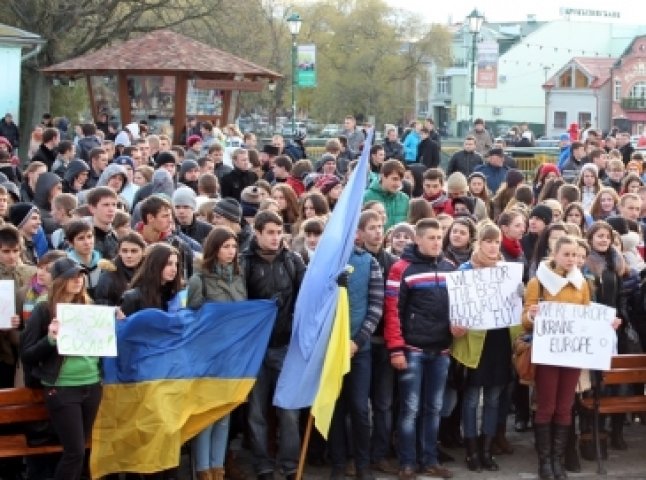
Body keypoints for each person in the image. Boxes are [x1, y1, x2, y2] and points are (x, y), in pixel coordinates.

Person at [522, 235, 620, 480]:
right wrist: (532, 316)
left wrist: (607, 324)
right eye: (566, 254)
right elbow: (524, 319)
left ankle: (557, 460)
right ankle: (545, 462)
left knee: (565, 407)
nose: (571, 259)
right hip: (547, 355)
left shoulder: (583, 283)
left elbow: (588, 317)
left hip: (572, 355)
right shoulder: (538, 282)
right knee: (546, 406)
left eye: (575, 255)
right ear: (554, 255)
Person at [384, 218, 456, 479]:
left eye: (440, 238)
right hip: (412, 350)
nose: (437, 242)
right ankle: (407, 462)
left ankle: (430, 460)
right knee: (410, 409)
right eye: (432, 238)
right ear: (418, 240)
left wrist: (458, 329)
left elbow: (458, 309)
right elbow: (392, 311)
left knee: (434, 408)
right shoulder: (401, 269)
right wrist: (396, 349)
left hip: (442, 351)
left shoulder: (450, 268)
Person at [20, 257, 101, 480]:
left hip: (91, 384)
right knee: (74, 452)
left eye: (81, 276)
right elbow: (26, 354)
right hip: (62, 387)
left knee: (81, 449)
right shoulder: (44, 308)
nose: (78, 280)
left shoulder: (88, 305)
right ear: (59, 280)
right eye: (72, 276)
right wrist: (50, 340)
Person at [452, 222, 522, 472]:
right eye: (488, 241)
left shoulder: (508, 271)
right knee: (471, 398)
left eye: (496, 242)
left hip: (500, 340)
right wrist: (455, 326)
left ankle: (486, 448)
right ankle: (471, 450)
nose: (493, 246)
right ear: (478, 243)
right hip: (473, 343)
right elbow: (455, 309)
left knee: (494, 397)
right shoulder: (465, 270)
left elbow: (516, 305)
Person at [241, 211, 306, 480]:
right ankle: (263, 464)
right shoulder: (244, 262)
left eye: (279, 232)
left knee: (289, 411)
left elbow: (309, 294)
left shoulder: (293, 260)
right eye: (270, 232)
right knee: (256, 412)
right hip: (255, 349)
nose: (275, 237)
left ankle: (290, 465)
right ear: (257, 233)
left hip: (284, 345)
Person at [187, 226, 247, 480]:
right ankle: (202, 468)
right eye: (226, 246)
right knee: (206, 415)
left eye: (234, 246)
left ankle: (218, 467)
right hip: (207, 355)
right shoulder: (199, 278)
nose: (231, 251)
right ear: (214, 248)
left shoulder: (239, 276)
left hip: (232, 355)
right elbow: (192, 318)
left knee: (224, 415)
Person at [328, 244, 384, 480]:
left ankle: (363, 464)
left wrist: (358, 341)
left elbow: (375, 305)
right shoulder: (325, 259)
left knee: (360, 409)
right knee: (335, 408)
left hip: (359, 349)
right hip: (331, 350)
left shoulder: (369, 262)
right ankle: (338, 464)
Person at [94, 232, 146, 306]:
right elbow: (101, 303)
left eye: (134, 251)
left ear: (143, 251)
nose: (129, 255)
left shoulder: (150, 272)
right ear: (119, 252)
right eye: (124, 251)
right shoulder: (109, 274)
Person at [362, 159, 410, 230]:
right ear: (383, 176)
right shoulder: (366, 197)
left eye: (400, 180)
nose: (398, 184)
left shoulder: (404, 199)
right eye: (395, 179)